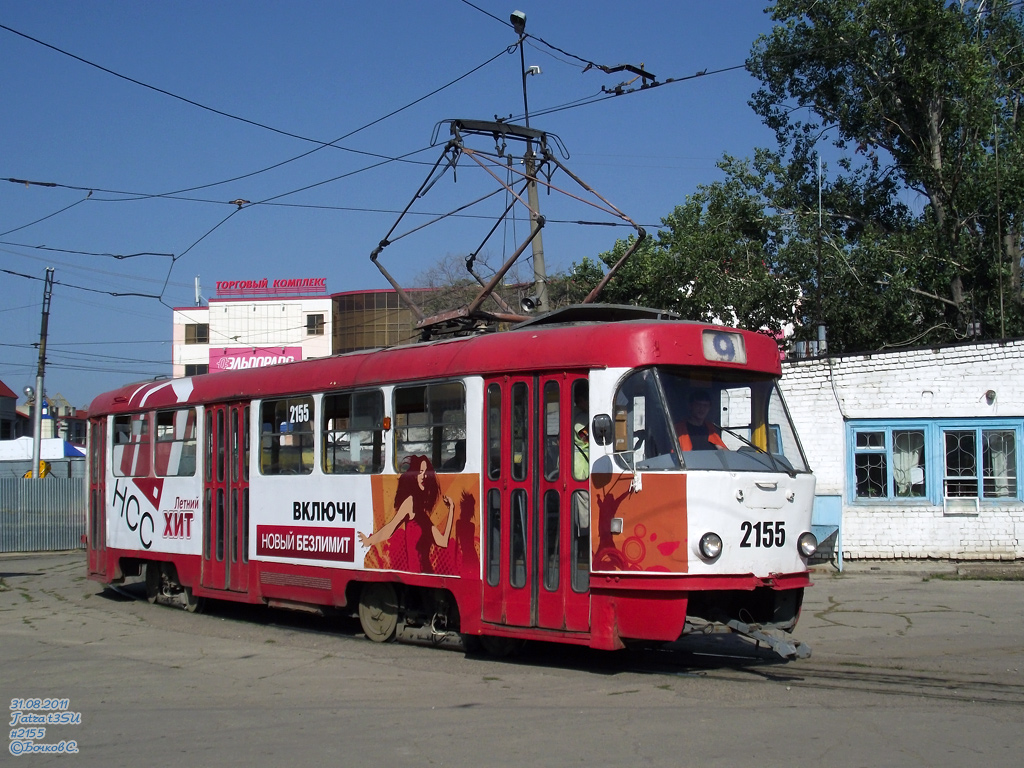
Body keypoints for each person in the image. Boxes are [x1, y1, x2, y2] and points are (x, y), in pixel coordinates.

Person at [358, 455, 455, 573]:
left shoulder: (423, 515)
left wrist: (451, 510)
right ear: (414, 475)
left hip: (426, 572)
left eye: (426, 472)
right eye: (420, 472)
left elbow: (443, 542)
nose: (424, 476)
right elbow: (391, 527)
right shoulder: (410, 503)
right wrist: (369, 541)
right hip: (415, 573)